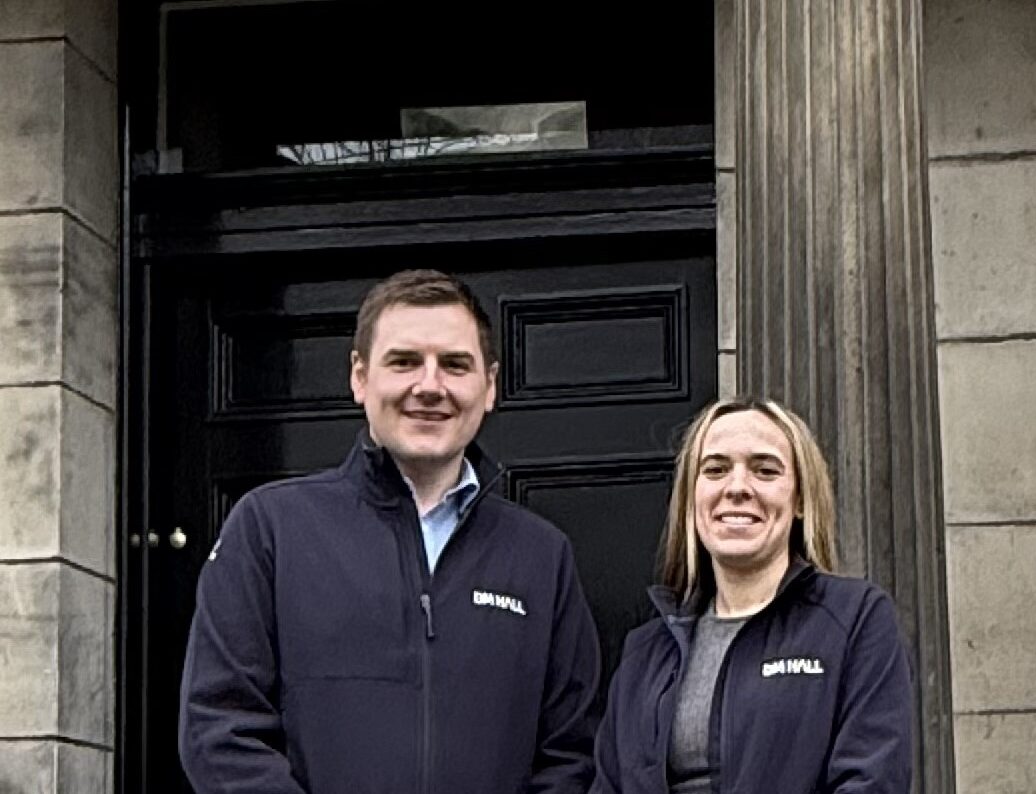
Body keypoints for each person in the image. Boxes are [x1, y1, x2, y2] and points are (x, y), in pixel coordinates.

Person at [179, 269, 601, 793]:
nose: (430, 386)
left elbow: (572, 752)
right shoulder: (270, 529)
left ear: (489, 386)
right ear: (359, 377)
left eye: (454, 364)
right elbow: (220, 730)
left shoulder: (541, 556)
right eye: (404, 362)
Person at [590, 397, 913, 793]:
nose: (737, 488)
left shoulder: (855, 619)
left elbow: (871, 780)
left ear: (798, 500)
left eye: (764, 470)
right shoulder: (645, 652)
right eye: (716, 469)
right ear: (691, 499)